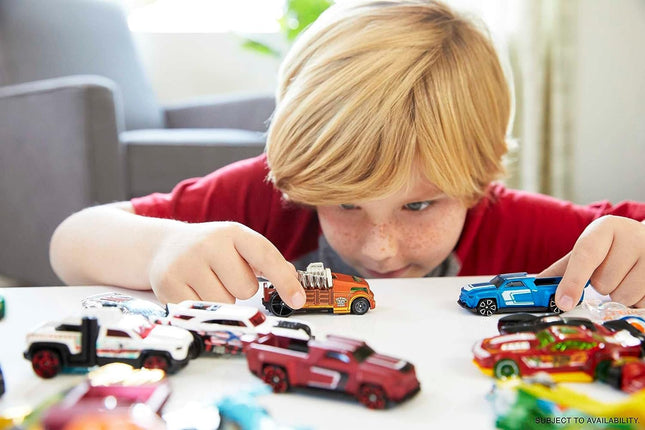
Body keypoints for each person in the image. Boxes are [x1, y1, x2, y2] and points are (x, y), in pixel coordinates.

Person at [50, 0, 645, 312]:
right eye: (345, 204)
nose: (379, 249)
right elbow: (71, 243)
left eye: (418, 205)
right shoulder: (260, 199)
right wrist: (161, 246)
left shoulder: (516, 223)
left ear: (480, 178)